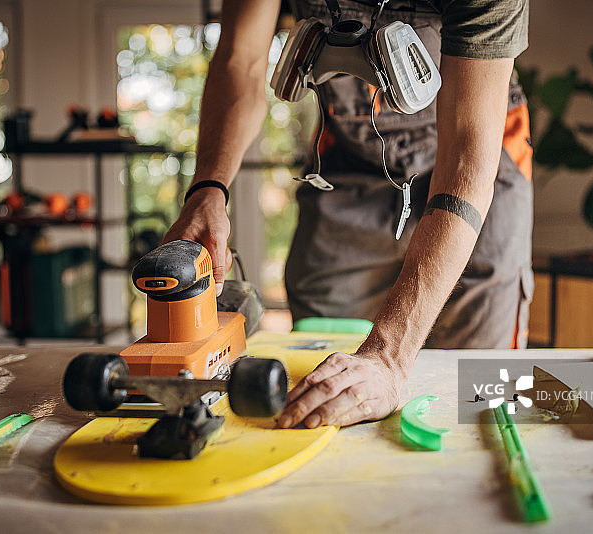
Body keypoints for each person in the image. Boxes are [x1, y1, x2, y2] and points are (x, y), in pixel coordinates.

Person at [161, 0, 533, 429]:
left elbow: (467, 160)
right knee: (321, 379)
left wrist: (388, 356)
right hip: (352, 160)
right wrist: (208, 187)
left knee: (476, 385)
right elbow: (240, 62)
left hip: (478, 163)